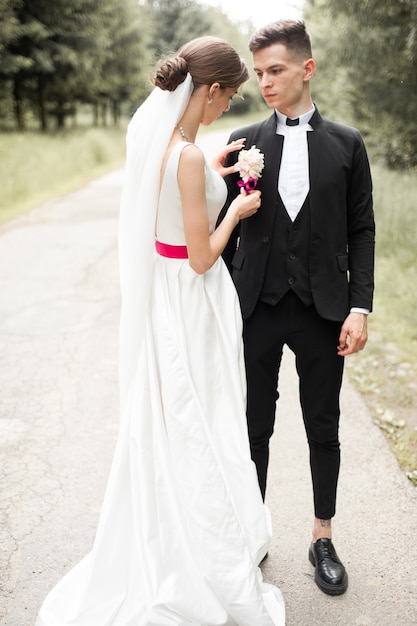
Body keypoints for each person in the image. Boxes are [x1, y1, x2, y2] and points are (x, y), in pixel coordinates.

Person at [35, 36, 286, 625]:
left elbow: (175, 196)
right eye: (229, 98)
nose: (229, 110)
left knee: (177, 419)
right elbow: (201, 258)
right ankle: (205, 548)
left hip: (163, 299)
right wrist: (235, 211)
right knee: (206, 416)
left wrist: (215, 174)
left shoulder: (168, 145)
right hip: (190, 298)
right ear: (211, 90)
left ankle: (178, 532)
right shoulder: (190, 155)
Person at [219, 20, 375, 596]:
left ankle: (322, 536)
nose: (265, 81)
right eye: (258, 72)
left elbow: (362, 230)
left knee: (323, 424)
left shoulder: (347, 144)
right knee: (253, 425)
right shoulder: (242, 144)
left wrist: (360, 307)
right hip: (257, 304)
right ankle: (253, 538)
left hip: (323, 309)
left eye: (275, 70)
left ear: (307, 69)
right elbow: (223, 233)